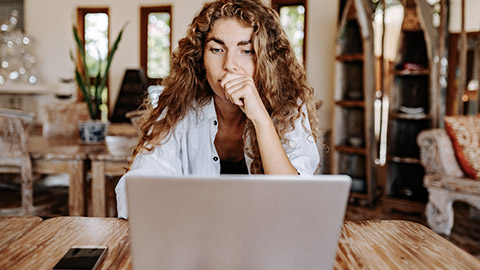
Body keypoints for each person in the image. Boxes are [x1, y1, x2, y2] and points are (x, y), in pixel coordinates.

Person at [115, 0, 321, 219]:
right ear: (200, 57)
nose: (229, 64)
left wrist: (260, 118)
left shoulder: (289, 107)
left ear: (267, 60)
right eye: (216, 49)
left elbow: (295, 204)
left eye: (246, 51)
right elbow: (134, 192)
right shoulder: (179, 108)